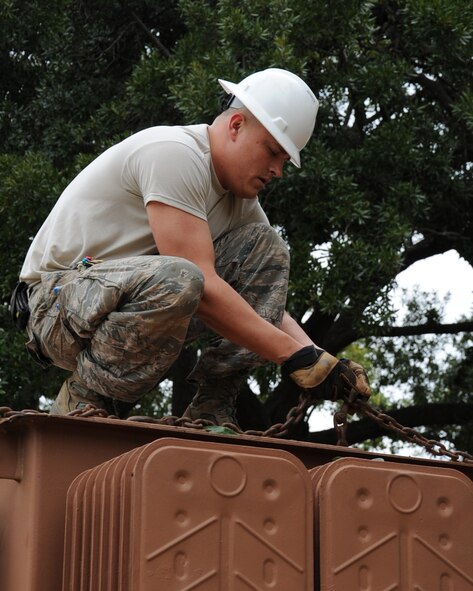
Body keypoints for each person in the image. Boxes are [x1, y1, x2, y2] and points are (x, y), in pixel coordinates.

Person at [15, 67, 371, 425]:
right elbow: (198, 281)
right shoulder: (174, 154)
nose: (277, 169)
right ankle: (86, 400)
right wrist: (293, 357)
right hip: (53, 305)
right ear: (236, 125)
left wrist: (321, 359)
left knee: (268, 250)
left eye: (283, 161)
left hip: (123, 300)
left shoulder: (242, 206)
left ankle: (214, 406)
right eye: (273, 152)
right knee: (184, 277)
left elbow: (265, 304)